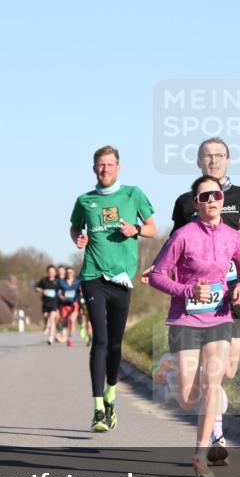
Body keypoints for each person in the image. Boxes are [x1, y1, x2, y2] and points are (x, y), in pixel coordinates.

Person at [142, 137, 240, 464]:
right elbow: (175, 239)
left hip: (236, 295)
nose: (214, 160)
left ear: (229, 161)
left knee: (226, 372)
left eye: (219, 155)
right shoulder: (187, 201)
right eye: (207, 155)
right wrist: (158, 265)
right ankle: (215, 433)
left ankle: (189, 381)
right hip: (197, 301)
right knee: (208, 380)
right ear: (199, 162)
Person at [148, 175, 240, 477]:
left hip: (220, 319)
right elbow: (158, 276)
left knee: (212, 385)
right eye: (205, 197)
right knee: (187, 397)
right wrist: (187, 291)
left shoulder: (233, 237)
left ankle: (200, 455)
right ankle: (168, 369)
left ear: (223, 200)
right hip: (185, 320)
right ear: (196, 203)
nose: (212, 201)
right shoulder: (183, 235)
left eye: (216, 196)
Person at [70, 145, 156, 432]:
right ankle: (96, 410)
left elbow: (153, 228)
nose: (104, 169)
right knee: (101, 340)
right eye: (100, 165)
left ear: (118, 167)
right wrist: (78, 238)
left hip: (122, 279)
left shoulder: (134, 194)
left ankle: (110, 395)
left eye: (109, 164)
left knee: (117, 344)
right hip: (93, 275)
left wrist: (136, 229)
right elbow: (74, 228)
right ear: (94, 168)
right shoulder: (85, 200)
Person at [35, 265, 60, 345]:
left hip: (54, 303)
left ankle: (50, 338)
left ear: (55, 272)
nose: (51, 273)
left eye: (53, 271)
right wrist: (42, 291)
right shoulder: (43, 280)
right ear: (47, 272)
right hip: (45, 303)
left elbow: (63, 290)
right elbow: (36, 288)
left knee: (51, 319)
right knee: (46, 318)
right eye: (50, 272)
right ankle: (47, 326)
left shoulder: (58, 281)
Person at [57, 267, 82, 347]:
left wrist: (81, 292)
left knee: (71, 320)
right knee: (64, 322)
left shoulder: (77, 282)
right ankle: (63, 333)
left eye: (71, 272)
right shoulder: (61, 282)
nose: (69, 274)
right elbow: (58, 292)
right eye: (67, 272)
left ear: (73, 273)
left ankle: (70, 338)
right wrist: (61, 297)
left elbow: (80, 291)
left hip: (74, 304)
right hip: (64, 305)